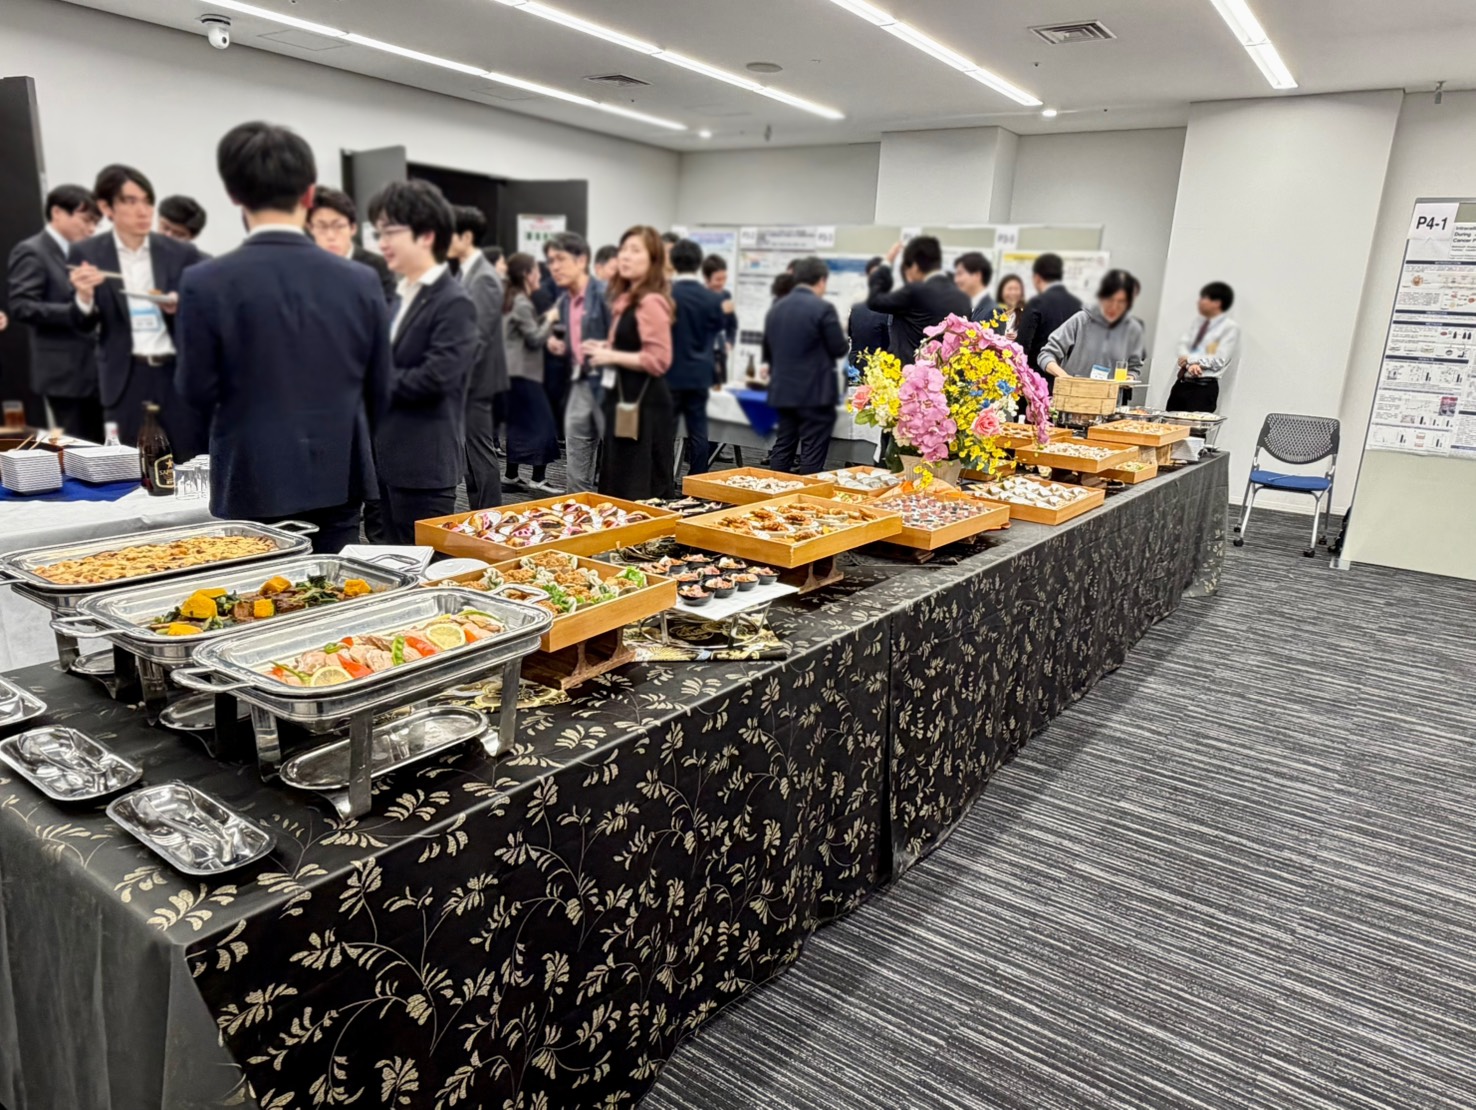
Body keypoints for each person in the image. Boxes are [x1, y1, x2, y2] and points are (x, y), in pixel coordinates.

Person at [176, 121, 390, 553]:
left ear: (233, 195)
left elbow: (195, 392)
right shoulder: (359, 279)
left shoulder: (205, 281)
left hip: (252, 474)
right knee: (337, 584)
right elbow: (379, 386)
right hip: (339, 468)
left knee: (258, 589)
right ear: (309, 195)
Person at [367, 179, 478, 543]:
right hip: (386, 458)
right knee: (387, 562)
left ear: (427, 235)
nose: (382, 243)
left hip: (423, 465)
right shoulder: (398, 296)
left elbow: (436, 379)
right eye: (379, 232)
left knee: (421, 564)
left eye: (391, 232)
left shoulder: (453, 301)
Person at [68, 164, 206, 448]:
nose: (143, 212)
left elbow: (203, 313)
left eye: (147, 202)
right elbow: (81, 324)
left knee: (188, 457)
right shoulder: (88, 252)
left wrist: (180, 307)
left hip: (174, 371)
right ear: (106, 207)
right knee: (130, 463)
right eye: (131, 202)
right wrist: (84, 297)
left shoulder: (181, 252)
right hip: (125, 376)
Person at [584, 226, 675, 501]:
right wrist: (604, 348)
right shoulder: (627, 297)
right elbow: (631, 344)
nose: (625, 256)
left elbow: (658, 360)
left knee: (638, 487)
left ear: (653, 259)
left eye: (635, 250)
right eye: (623, 249)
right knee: (619, 481)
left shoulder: (651, 301)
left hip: (644, 404)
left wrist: (612, 356)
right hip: (624, 398)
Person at [6, 184, 103, 441]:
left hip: (97, 370)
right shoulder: (32, 251)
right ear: (57, 212)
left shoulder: (83, 253)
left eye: (95, 223)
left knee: (106, 446)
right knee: (80, 448)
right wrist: (77, 309)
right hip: (64, 372)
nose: (91, 229)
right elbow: (22, 306)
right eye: (86, 220)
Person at [763, 256, 849, 475]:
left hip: (783, 389)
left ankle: (774, 491)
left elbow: (770, 348)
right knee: (812, 451)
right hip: (815, 392)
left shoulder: (777, 307)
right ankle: (806, 495)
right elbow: (839, 349)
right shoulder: (823, 308)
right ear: (821, 280)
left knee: (783, 445)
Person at [448, 204, 507, 509]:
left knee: (480, 454)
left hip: (476, 381)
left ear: (467, 236)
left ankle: (488, 514)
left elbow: (478, 337)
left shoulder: (482, 277)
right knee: (472, 454)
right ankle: (479, 512)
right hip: (469, 379)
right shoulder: (467, 273)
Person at [545, 232, 611, 494]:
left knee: (616, 466)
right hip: (580, 382)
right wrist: (557, 343)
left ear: (581, 260)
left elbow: (630, 338)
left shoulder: (606, 295)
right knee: (576, 464)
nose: (554, 267)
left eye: (560, 259)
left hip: (611, 386)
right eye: (551, 261)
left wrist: (607, 348)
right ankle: (578, 511)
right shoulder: (565, 301)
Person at [668, 239, 730, 476]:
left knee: (665, 433)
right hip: (700, 373)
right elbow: (717, 332)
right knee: (699, 432)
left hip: (671, 373)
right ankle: (697, 483)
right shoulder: (713, 298)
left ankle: (663, 484)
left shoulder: (666, 295)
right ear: (698, 265)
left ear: (673, 262)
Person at [502, 252, 561, 494]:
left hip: (513, 372)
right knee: (543, 424)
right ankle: (538, 479)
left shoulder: (510, 298)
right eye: (535, 270)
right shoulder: (522, 303)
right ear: (527, 274)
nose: (539, 274)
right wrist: (550, 319)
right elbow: (535, 338)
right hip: (524, 373)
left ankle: (511, 476)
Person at [866, 236, 970, 363]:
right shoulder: (963, 296)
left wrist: (886, 264)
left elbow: (874, 300)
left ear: (915, 266)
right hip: (947, 371)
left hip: (911, 371)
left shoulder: (915, 292)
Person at [1038, 269, 1146, 382]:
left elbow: (1134, 367)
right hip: (1073, 391)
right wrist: (1065, 377)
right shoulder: (1081, 320)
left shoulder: (1133, 329)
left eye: (1121, 302)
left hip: (1109, 393)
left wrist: (1129, 378)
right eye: (1110, 300)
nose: (1114, 306)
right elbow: (1046, 354)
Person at [307, 186, 397, 305]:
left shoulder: (377, 267)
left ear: (353, 228)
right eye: (322, 227)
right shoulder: (305, 268)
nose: (330, 236)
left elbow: (388, 309)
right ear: (310, 228)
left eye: (338, 226)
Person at [1167, 281, 1239, 413]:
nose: (1199, 302)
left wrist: (1190, 360)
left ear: (1217, 303)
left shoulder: (1228, 328)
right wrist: (1189, 363)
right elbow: (1183, 352)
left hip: (1202, 389)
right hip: (1182, 383)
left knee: (1195, 426)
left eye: (1204, 298)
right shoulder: (1198, 325)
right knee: (1168, 423)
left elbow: (1218, 360)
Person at [1015, 253, 1083, 383]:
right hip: (1066, 379)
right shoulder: (1077, 304)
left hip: (1036, 380)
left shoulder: (1037, 303)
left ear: (1037, 278)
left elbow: (1022, 346)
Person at [847, 256, 891, 369]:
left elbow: (850, 334)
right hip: (878, 369)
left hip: (854, 367)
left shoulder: (856, 307)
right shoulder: (890, 310)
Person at [703, 254, 738, 385]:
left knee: (721, 387)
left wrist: (730, 341)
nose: (722, 283)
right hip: (703, 354)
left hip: (720, 352)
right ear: (706, 278)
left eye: (724, 278)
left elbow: (732, 323)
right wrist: (720, 313)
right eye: (718, 279)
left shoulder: (726, 295)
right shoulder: (699, 297)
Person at [955, 251, 996, 324]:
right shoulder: (968, 305)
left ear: (977, 275)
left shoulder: (993, 311)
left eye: (960, 274)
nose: (956, 280)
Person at [995, 273, 1027, 338]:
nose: (1013, 293)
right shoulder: (993, 312)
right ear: (1001, 291)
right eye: (1009, 289)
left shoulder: (1025, 314)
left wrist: (1018, 338)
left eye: (1016, 289)